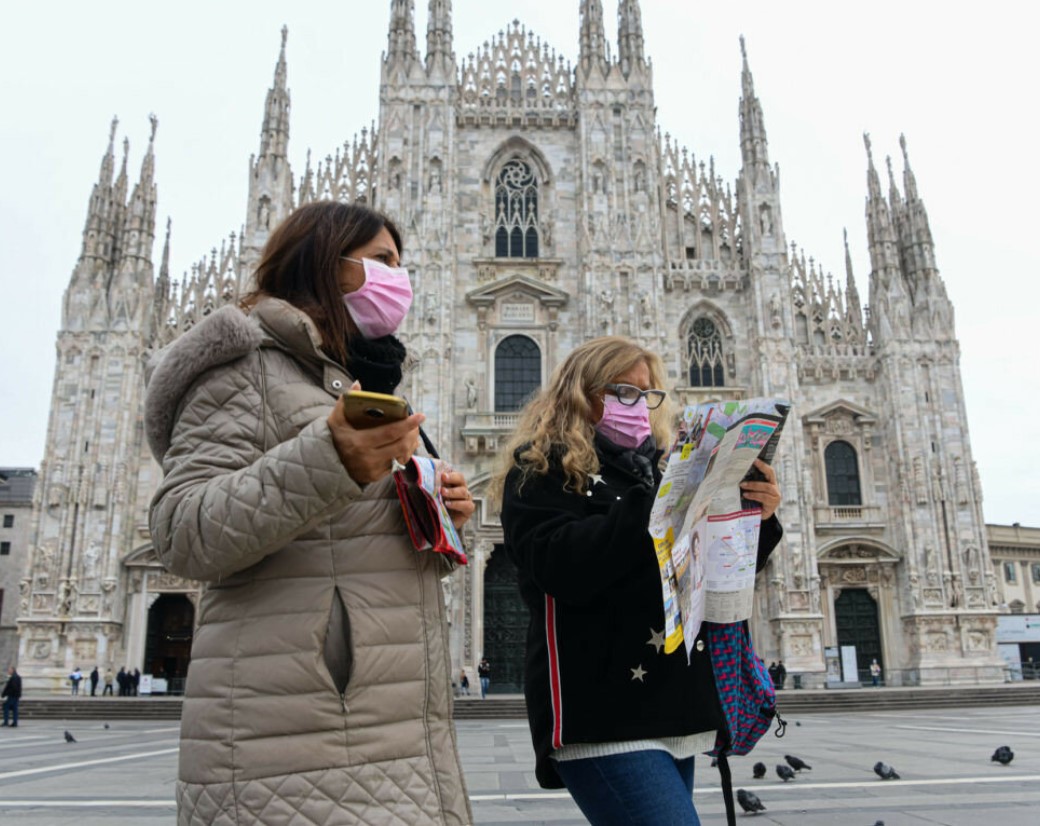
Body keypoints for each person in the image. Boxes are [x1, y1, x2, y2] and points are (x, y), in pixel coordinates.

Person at [145, 200, 473, 824]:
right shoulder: (245, 368)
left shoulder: (360, 381)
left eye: (402, 266)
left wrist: (440, 517)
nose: (398, 279)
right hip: (292, 739)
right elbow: (181, 532)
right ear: (328, 264)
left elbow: (346, 545)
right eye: (382, 262)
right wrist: (332, 461)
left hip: (395, 728)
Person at [494, 336, 783, 825]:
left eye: (646, 395)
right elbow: (559, 565)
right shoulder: (539, 469)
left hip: (671, 704)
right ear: (583, 393)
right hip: (602, 712)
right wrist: (663, 500)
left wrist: (755, 516)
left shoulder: (655, 469)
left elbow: (701, 576)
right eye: (623, 391)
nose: (639, 405)